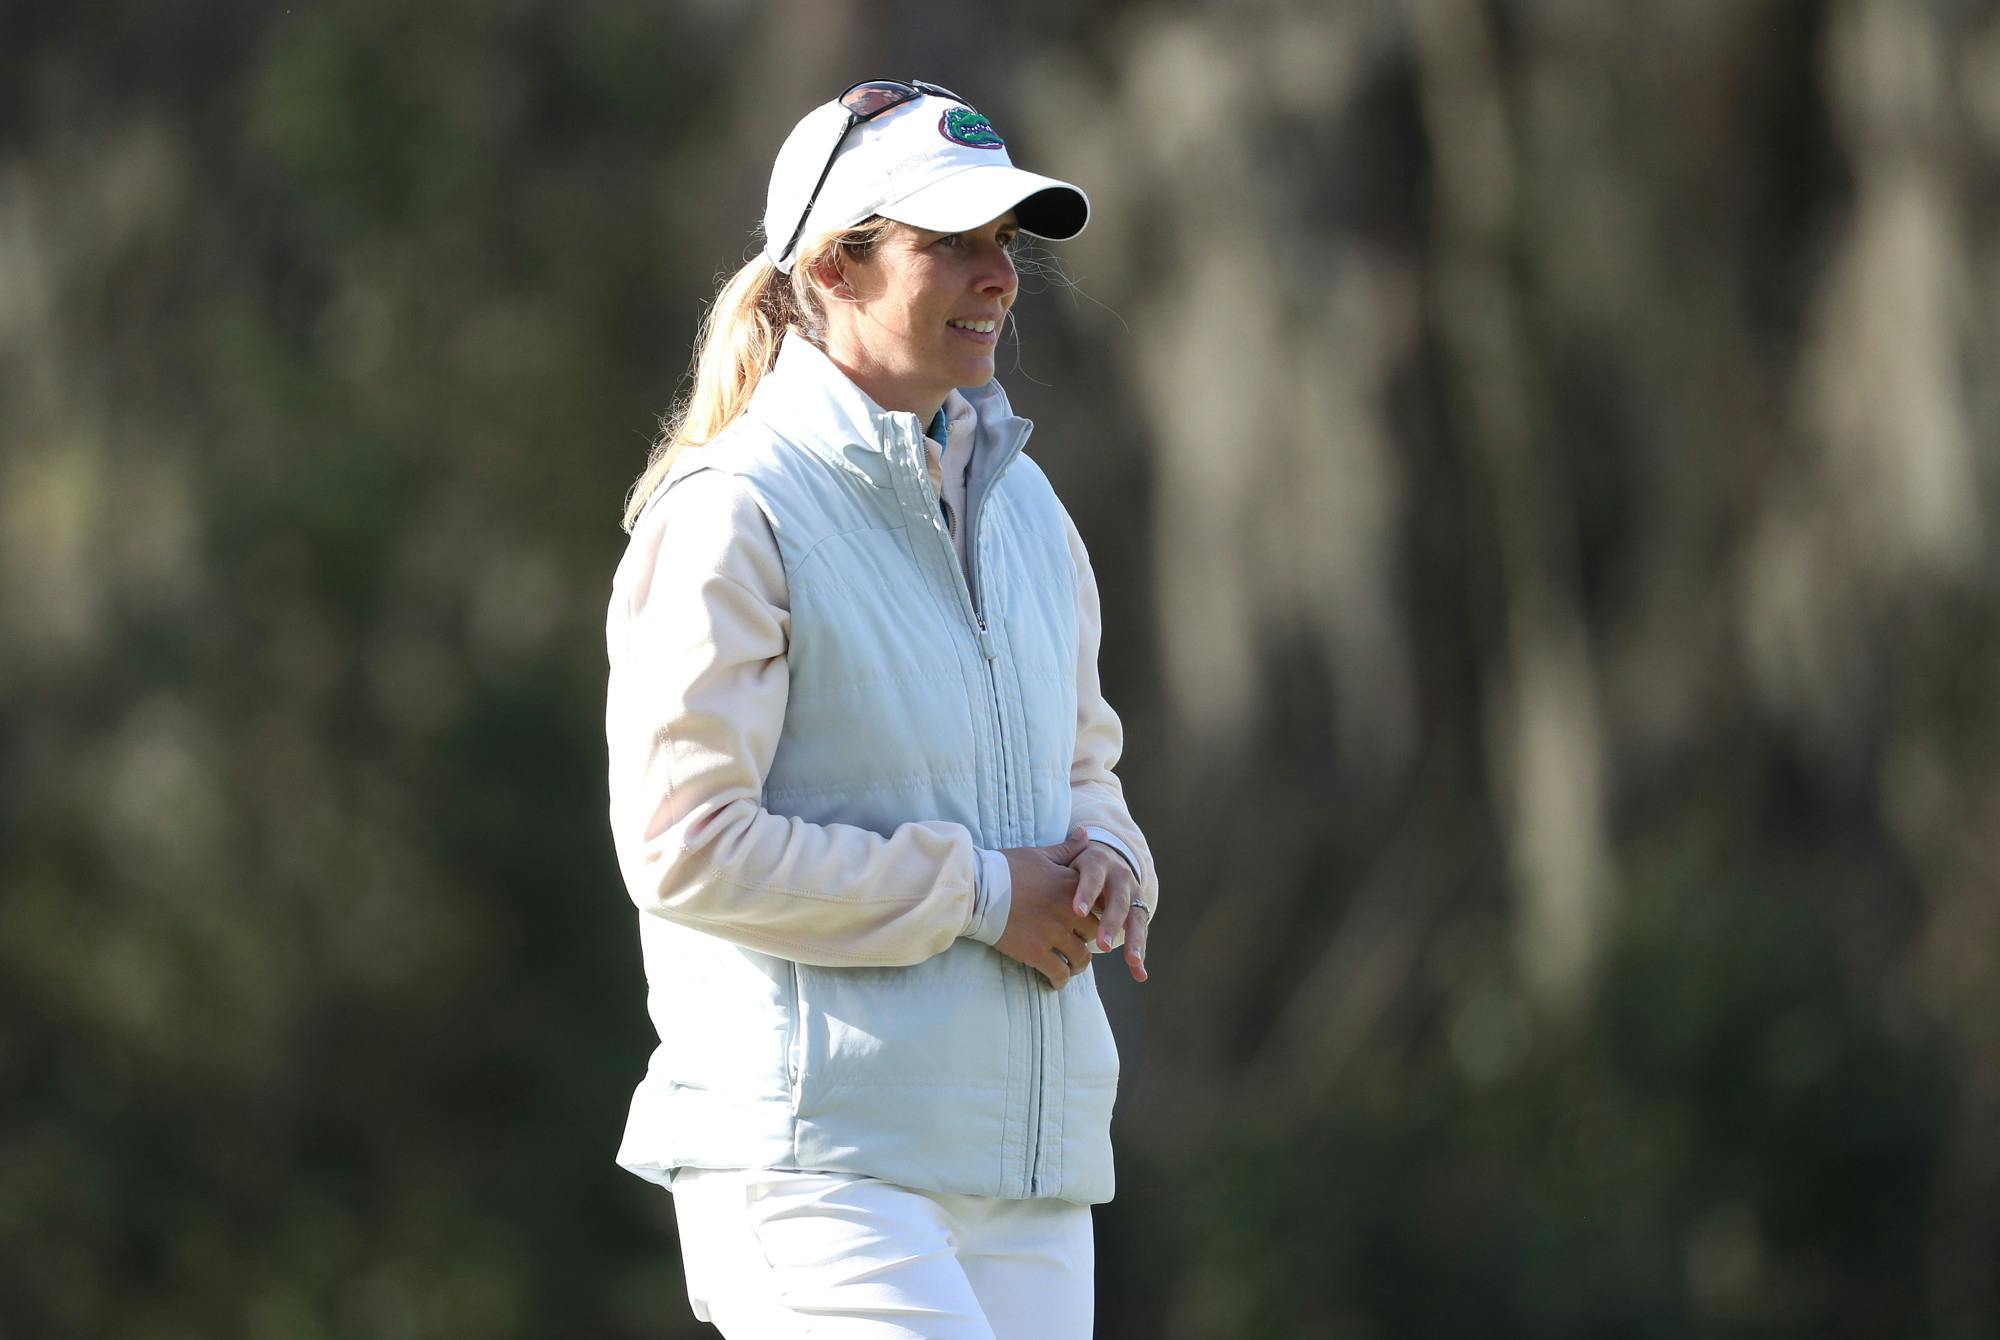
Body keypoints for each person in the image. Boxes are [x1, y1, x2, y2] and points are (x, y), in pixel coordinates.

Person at [604, 79, 1159, 1339]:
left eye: (1004, 244)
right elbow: (683, 844)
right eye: (950, 242)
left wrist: (1109, 854)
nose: (997, 277)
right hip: (814, 1159)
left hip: (1024, 1171)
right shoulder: (732, 513)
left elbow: (1084, 763)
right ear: (833, 268)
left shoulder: (1027, 509)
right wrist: (983, 893)